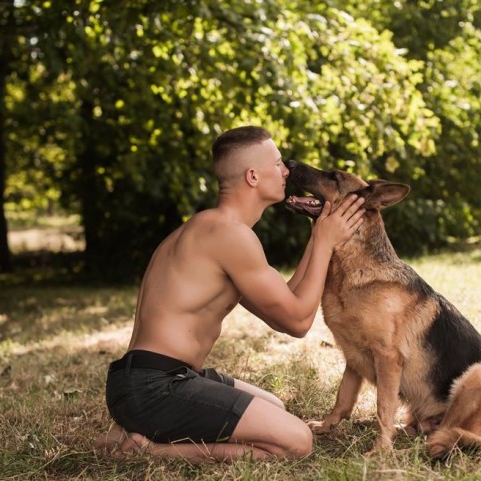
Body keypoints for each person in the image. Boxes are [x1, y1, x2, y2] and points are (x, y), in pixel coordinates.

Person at [94, 126, 366, 463]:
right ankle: (151, 450)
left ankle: (138, 431)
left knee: (274, 408)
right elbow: (297, 322)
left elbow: (286, 303)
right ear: (253, 176)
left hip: (151, 381)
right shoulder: (229, 235)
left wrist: (318, 235)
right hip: (156, 388)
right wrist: (325, 243)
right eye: (278, 164)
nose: (286, 172)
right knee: (297, 441)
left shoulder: (212, 228)